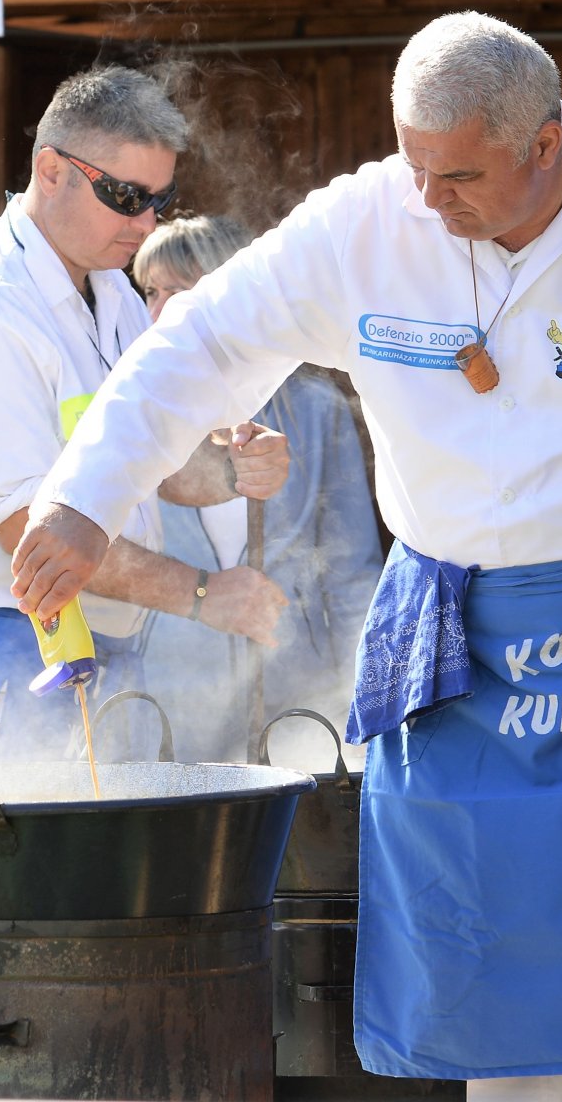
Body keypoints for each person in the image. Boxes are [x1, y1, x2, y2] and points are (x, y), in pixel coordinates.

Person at [11, 12, 562, 1100]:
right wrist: (84, 495)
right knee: (484, 1005)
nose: (431, 200)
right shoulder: (365, 222)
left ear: (546, 144)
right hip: (453, 644)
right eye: (413, 163)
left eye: (460, 175)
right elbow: (202, 344)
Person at [0, 65, 291, 766]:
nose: (145, 223)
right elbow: (37, 543)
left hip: (60, 662)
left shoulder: (109, 291)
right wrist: (205, 595)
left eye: (159, 200)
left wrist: (233, 469)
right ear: (50, 172)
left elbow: (146, 454)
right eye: (124, 196)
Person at [127, 216, 381, 762]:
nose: (161, 309)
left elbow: (352, 573)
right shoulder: (131, 413)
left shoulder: (314, 410)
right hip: (168, 701)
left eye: (182, 288)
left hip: (294, 698)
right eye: (152, 290)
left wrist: (362, 702)